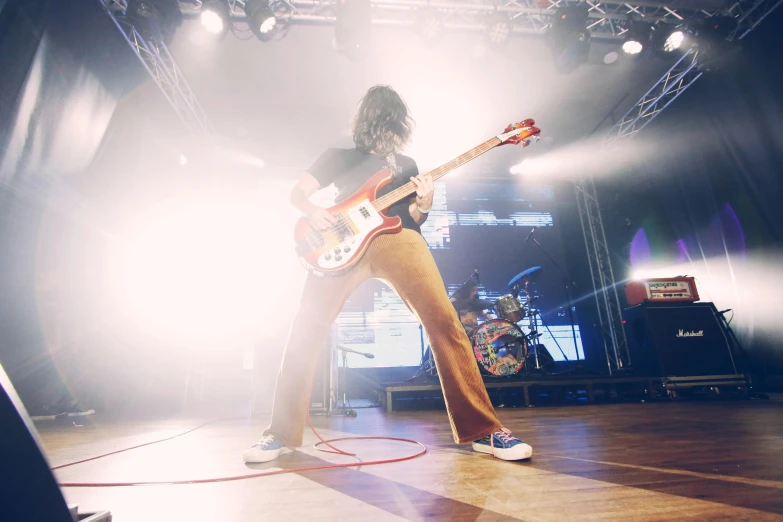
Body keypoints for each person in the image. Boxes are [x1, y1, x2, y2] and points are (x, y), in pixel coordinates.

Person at [243, 85, 532, 463]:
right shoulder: (339, 156)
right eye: (383, 117)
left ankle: (484, 430)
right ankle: (279, 435)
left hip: (399, 239)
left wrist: (425, 204)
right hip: (340, 245)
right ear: (367, 120)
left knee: (444, 322)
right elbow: (298, 194)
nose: (388, 125)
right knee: (305, 330)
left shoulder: (407, 165)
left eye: (394, 119)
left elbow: (414, 217)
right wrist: (312, 210)